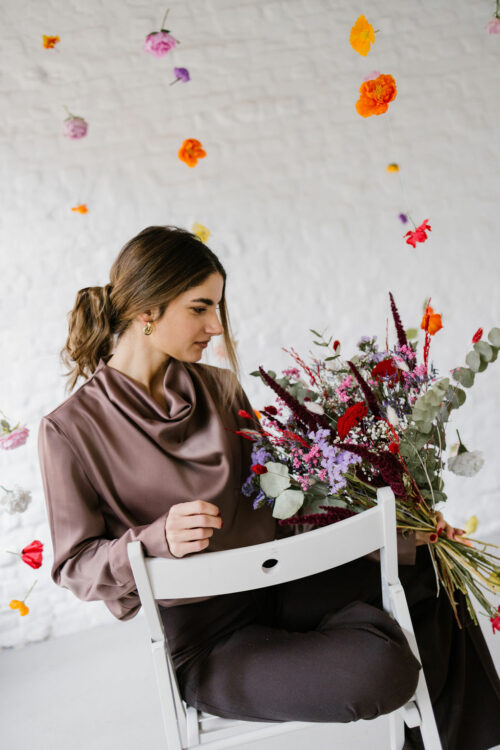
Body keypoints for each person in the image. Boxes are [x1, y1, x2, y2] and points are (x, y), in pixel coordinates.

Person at [38, 225, 500, 750]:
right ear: (147, 312)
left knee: (434, 570)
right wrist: (151, 540)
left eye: (218, 307)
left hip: (286, 585)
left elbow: (291, 502)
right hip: (209, 639)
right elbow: (75, 567)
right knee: (384, 671)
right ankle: (363, 635)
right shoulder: (68, 430)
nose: (215, 325)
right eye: (199, 308)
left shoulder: (220, 388)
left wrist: (403, 536)